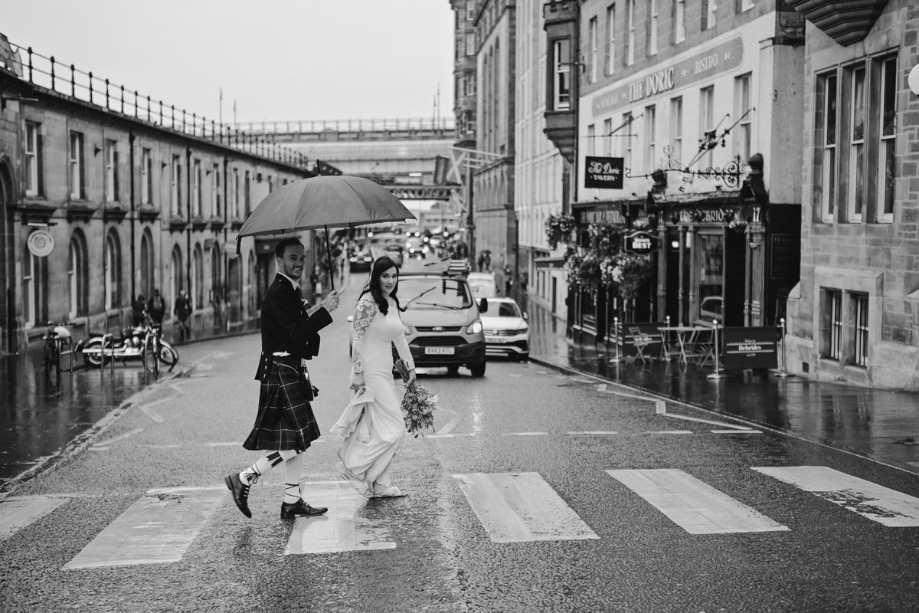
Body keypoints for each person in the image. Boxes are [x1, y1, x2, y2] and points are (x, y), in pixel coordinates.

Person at [224, 237, 341, 520]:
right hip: (280, 371)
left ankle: (292, 501)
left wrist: (307, 310)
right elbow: (297, 334)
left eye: (302, 257)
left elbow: (295, 329)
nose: (299, 263)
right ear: (279, 261)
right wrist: (325, 309)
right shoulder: (278, 292)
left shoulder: (288, 291)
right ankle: (245, 477)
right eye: (292, 258)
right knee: (296, 442)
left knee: (296, 439)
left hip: (288, 369)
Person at [330, 256, 416, 498]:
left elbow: (399, 338)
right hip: (369, 373)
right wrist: (358, 372)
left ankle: (381, 484)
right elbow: (356, 336)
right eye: (385, 275)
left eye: (394, 276)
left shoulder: (392, 301)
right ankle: (356, 466)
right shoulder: (368, 302)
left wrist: (410, 368)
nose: (390, 281)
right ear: (376, 276)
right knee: (397, 428)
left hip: (386, 373)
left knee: (383, 430)